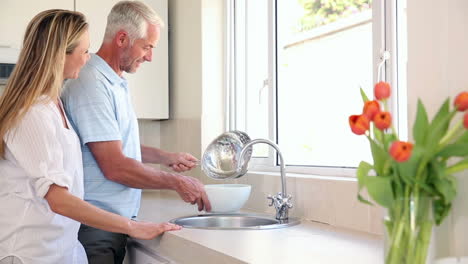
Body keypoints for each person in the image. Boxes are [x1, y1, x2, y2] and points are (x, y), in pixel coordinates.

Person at [0, 9, 181, 264]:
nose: (88, 59)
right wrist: (131, 226)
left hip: (61, 248)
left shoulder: (53, 105)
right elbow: (59, 200)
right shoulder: (31, 114)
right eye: (84, 51)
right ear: (59, 54)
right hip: (32, 253)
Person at [61, 1, 212, 263]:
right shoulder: (91, 84)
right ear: (122, 39)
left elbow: (112, 145)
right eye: (147, 46)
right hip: (96, 226)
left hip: (112, 223)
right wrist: (175, 182)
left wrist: (165, 156)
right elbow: (115, 166)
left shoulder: (115, 81)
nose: (150, 56)